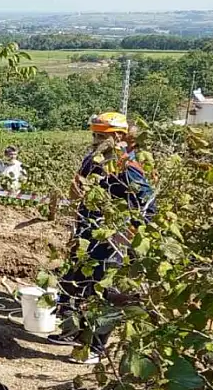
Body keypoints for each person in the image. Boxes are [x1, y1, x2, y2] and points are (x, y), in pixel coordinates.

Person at [48, 112, 155, 364]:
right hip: (88, 234)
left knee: (106, 290)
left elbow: (148, 206)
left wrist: (130, 234)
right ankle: (73, 332)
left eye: (101, 135)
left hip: (114, 238)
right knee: (76, 282)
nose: (96, 139)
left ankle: (96, 348)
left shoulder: (128, 167)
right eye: (94, 134)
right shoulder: (94, 161)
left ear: (118, 137)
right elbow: (76, 193)